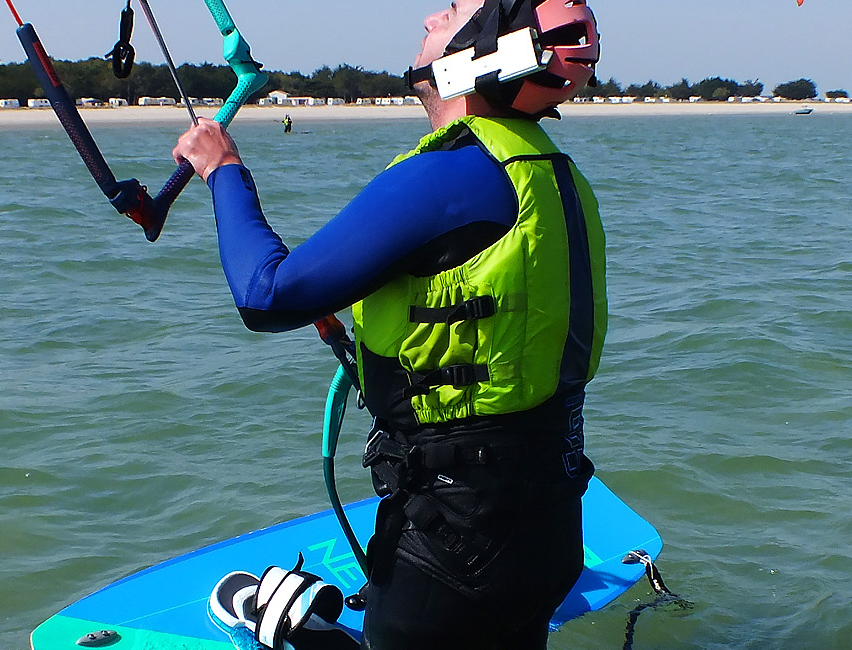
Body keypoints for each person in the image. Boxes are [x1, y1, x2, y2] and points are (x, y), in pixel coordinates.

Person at [173, 1, 604, 648]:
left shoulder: (452, 176)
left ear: (488, 50)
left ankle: (291, 624)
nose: (433, 15)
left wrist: (223, 170)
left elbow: (265, 297)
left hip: (453, 539)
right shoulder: (544, 168)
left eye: (456, 10)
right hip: (548, 519)